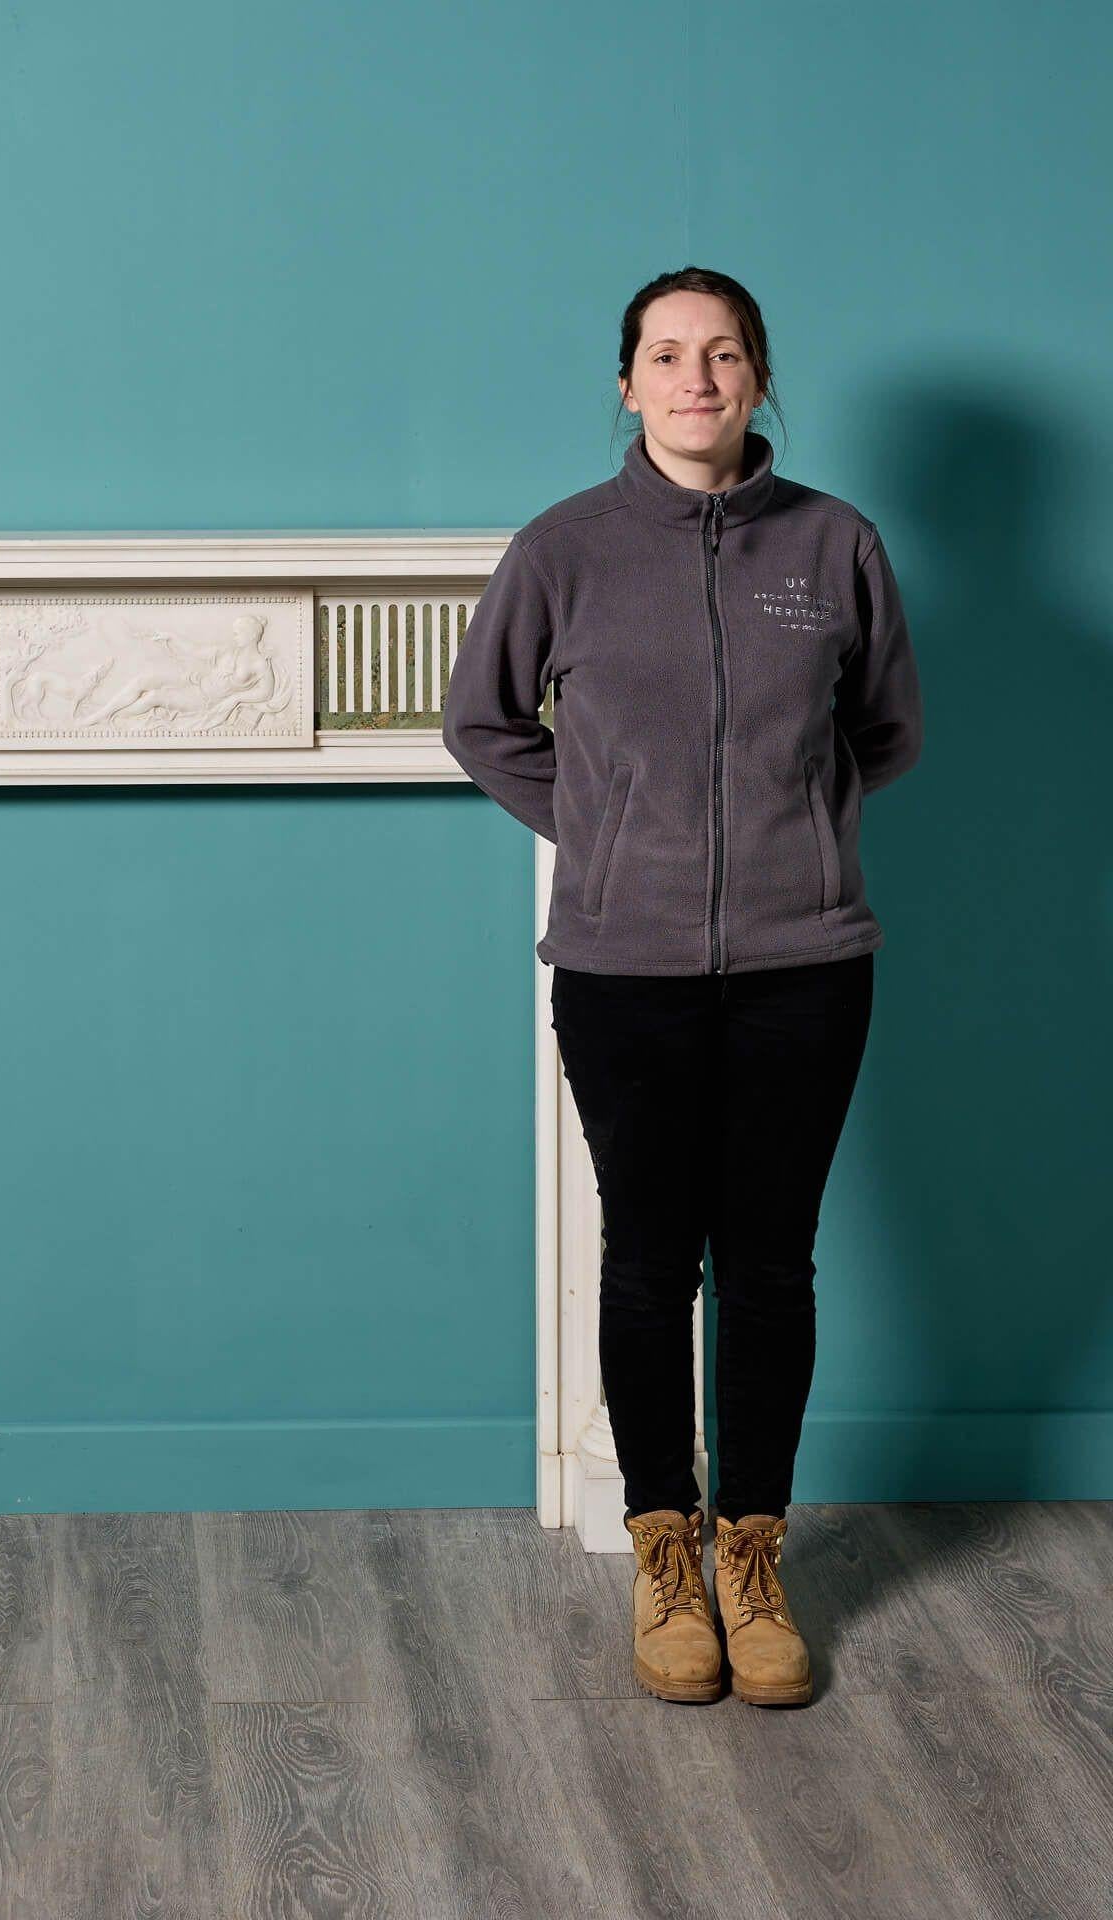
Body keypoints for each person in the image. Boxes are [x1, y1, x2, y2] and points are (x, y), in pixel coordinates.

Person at [441, 266, 924, 1707]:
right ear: (628, 382)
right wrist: (607, 827)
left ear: (760, 377)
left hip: (806, 967)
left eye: (723, 354)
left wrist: (798, 834)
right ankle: (665, 1556)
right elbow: (483, 722)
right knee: (653, 1262)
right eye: (667, 354)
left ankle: (755, 1555)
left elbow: (885, 729)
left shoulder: (834, 545)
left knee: (772, 1265)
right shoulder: (564, 550)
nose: (695, 378)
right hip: (622, 968)